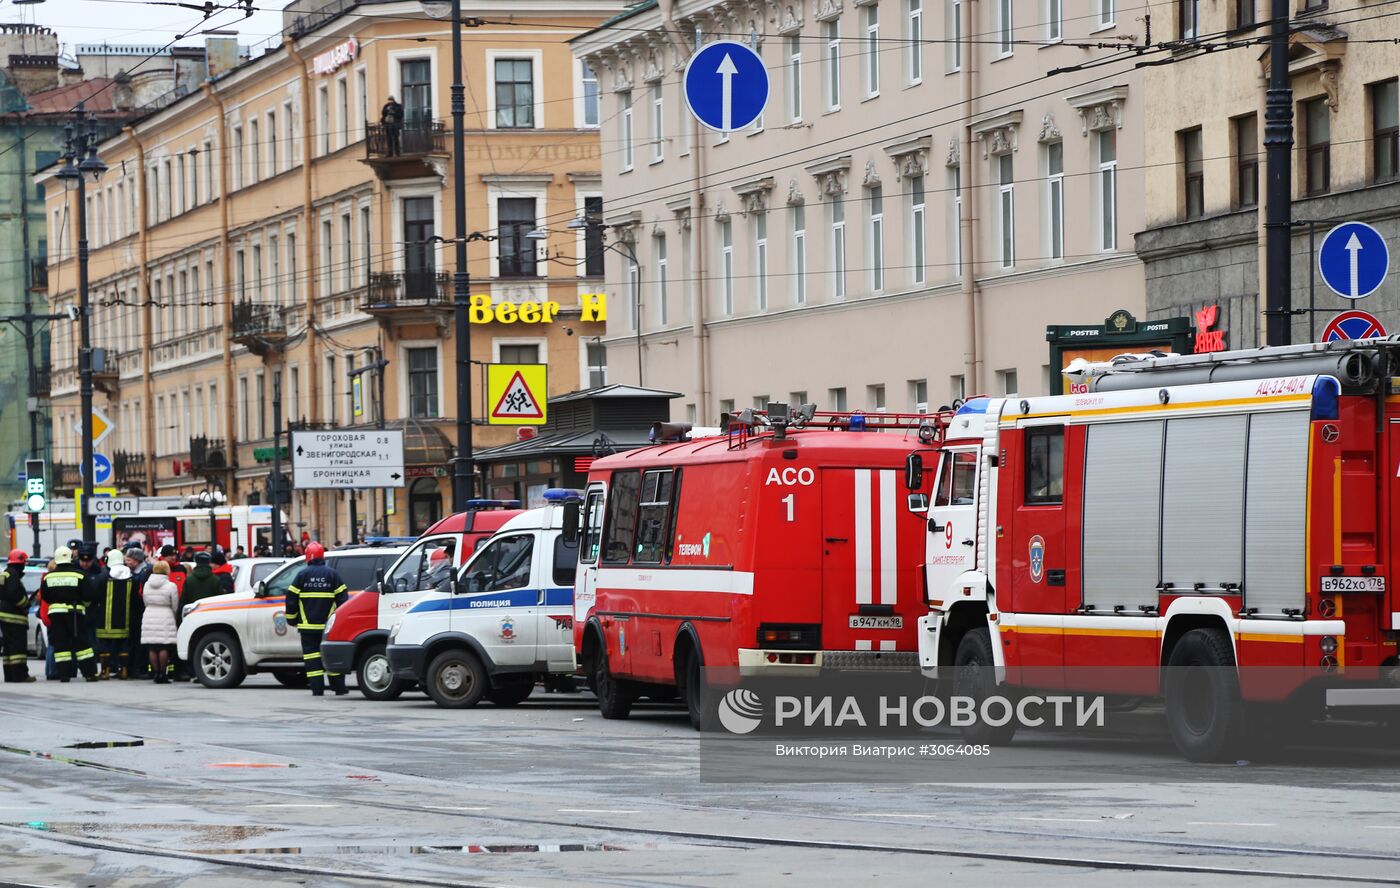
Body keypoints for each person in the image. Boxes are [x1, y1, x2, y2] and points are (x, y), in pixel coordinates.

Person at [285, 541, 348, 696]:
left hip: (308, 628)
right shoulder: (332, 574)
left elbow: (291, 599)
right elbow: (343, 599)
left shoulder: (302, 575)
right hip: (329, 627)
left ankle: (317, 689)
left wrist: (291, 619)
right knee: (332, 654)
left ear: (308, 556)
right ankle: (339, 688)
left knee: (312, 657)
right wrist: (339, 620)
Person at [40, 546, 98, 682]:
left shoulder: (48, 577)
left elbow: (45, 597)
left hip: (56, 614)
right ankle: (89, 674)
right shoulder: (80, 575)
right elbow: (89, 596)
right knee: (82, 644)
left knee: (61, 645)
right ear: (71, 558)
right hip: (75, 613)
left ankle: (64, 675)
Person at [93, 549, 138, 680]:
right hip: (125, 619)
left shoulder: (103, 577)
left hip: (105, 619)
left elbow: (95, 596)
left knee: (104, 645)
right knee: (124, 645)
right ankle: (123, 670)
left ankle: (105, 671)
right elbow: (135, 599)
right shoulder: (132, 578)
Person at [140, 561, 179, 684]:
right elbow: (175, 604)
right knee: (164, 646)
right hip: (165, 615)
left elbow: (145, 601)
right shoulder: (171, 586)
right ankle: (163, 673)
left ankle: (156, 673)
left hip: (149, 614)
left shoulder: (147, 584)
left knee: (152, 647)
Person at [0, 549, 34, 682]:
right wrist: (25, 605)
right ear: (20, 563)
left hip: (4, 615)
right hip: (14, 617)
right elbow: (15, 594)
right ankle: (20, 675)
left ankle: (10, 675)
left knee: (8, 647)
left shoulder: (5, 574)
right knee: (17, 647)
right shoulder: (13, 575)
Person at [159, 545, 189, 680]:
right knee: (165, 643)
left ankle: (179, 671)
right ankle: (162, 671)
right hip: (164, 612)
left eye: (174, 554)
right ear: (163, 556)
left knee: (178, 641)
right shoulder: (158, 569)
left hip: (178, 610)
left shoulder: (180, 568)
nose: (173, 557)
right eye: (170, 555)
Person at [124, 544, 150, 678]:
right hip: (135, 613)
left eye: (129, 560)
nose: (126, 562)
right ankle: (133, 668)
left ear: (137, 560)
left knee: (139, 641)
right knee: (134, 641)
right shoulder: (134, 572)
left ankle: (140, 668)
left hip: (140, 612)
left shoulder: (144, 573)